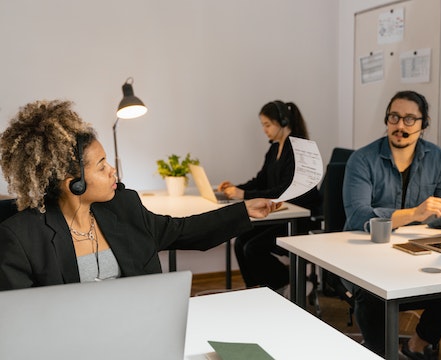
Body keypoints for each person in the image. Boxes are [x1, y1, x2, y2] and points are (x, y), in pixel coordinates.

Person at [0, 100, 280, 290]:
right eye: (101, 166)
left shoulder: (124, 207)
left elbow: (184, 230)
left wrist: (244, 210)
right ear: (72, 182)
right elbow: (19, 322)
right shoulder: (22, 238)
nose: (112, 172)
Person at [342, 90, 441, 359]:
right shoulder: (362, 159)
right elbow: (357, 215)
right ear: (387, 120)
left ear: (423, 124)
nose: (400, 126)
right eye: (394, 117)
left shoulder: (436, 158)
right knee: (371, 299)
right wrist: (415, 212)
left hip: (415, 256)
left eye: (410, 119)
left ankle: (415, 346)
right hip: (363, 257)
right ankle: (381, 353)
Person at [218, 100, 321, 293]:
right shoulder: (274, 148)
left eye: (267, 125)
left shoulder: (300, 149)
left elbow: (284, 189)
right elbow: (260, 180)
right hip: (280, 213)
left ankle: (288, 281)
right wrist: (235, 188)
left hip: (299, 218)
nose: (264, 130)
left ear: (282, 121)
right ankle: (257, 290)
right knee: (240, 242)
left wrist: (245, 194)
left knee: (253, 248)